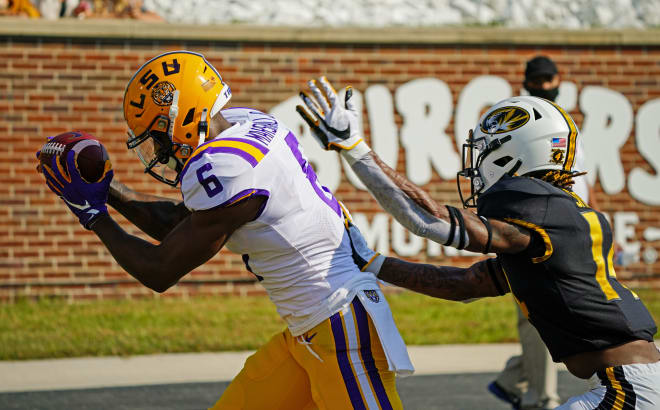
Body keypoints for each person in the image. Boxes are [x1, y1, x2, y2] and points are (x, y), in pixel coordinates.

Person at [38, 51, 413, 410]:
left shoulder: (226, 168)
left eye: (158, 136)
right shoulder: (246, 124)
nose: (158, 150)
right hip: (309, 331)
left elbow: (160, 269)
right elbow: (181, 224)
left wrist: (93, 214)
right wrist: (110, 191)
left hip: (342, 329)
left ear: (181, 117)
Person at [297, 77, 660, 409]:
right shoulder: (557, 221)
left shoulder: (544, 212)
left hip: (627, 389)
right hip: (636, 382)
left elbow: (432, 222)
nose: (476, 166)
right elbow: (464, 284)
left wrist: (355, 150)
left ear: (515, 151)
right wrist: (373, 262)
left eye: (484, 151)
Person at [487, 54, 594, 410]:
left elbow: (580, 180)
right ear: (527, 81)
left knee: (562, 320)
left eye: (550, 79)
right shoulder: (517, 126)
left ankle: (512, 378)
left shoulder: (565, 124)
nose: (545, 86)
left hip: (573, 228)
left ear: (558, 79)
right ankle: (542, 399)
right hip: (534, 230)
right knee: (537, 316)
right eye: (539, 80)